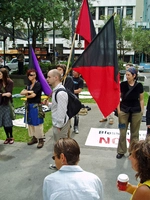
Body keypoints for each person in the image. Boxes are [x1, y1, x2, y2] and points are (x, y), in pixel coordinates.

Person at [116, 67, 144, 159]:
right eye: (126, 75)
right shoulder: (122, 85)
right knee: (122, 131)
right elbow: (117, 98)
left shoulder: (139, 86)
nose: (126, 76)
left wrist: (141, 111)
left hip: (136, 111)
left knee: (135, 133)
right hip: (123, 111)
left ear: (134, 76)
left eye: (128, 75)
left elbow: (141, 99)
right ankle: (121, 151)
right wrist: (119, 111)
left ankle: (133, 151)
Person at [46, 69, 70, 169]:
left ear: (56, 78)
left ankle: (62, 167)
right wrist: (49, 104)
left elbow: (62, 111)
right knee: (59, 146)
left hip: (60, 125)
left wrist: (59, 125)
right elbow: (57, 107)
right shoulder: (56, 91)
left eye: (49, 77)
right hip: (58, 123)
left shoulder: (60, 93)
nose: (47, 79)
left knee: (61, 147)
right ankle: (60, 165)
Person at [20, 69, 45, 149]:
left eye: (33, 75)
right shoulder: (29, 85)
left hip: (36, 106)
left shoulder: (38, 84)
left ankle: (41, 139)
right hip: (29, 106)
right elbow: (21, 92)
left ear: (35, 75)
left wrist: (27, 93)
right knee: (30, 122)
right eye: (30, 75)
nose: (31, 76)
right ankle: (34, 138)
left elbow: (33, 95)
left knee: (37, 123)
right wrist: (29, 92)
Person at [0, 68, 14, 144]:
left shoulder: (10, 82)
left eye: (0, 74)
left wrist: (2, 94)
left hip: (7, 103)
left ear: (4, 74)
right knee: (3, 121)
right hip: (1, 104)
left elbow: (9, 93)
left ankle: (11, 136)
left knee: (8, 121)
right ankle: (7, 137)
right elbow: (6, 94)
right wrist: (4, 94)